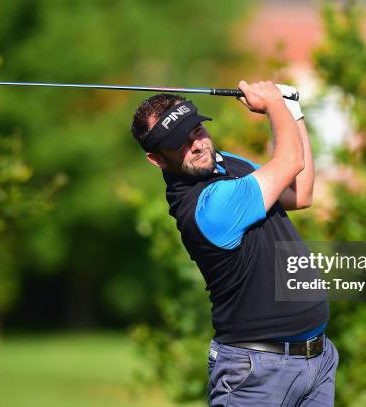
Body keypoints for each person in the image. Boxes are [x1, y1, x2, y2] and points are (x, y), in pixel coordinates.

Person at [131, 80, 338, 406]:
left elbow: (300, 192)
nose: (197, 144)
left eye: (196, 129)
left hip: (317, 359)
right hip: (256, 373)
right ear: (157, 159)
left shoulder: (228, 164)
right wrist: (274, 106)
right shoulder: (207, 205)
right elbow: (289, 162)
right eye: (179, 143)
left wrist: (293, 110)